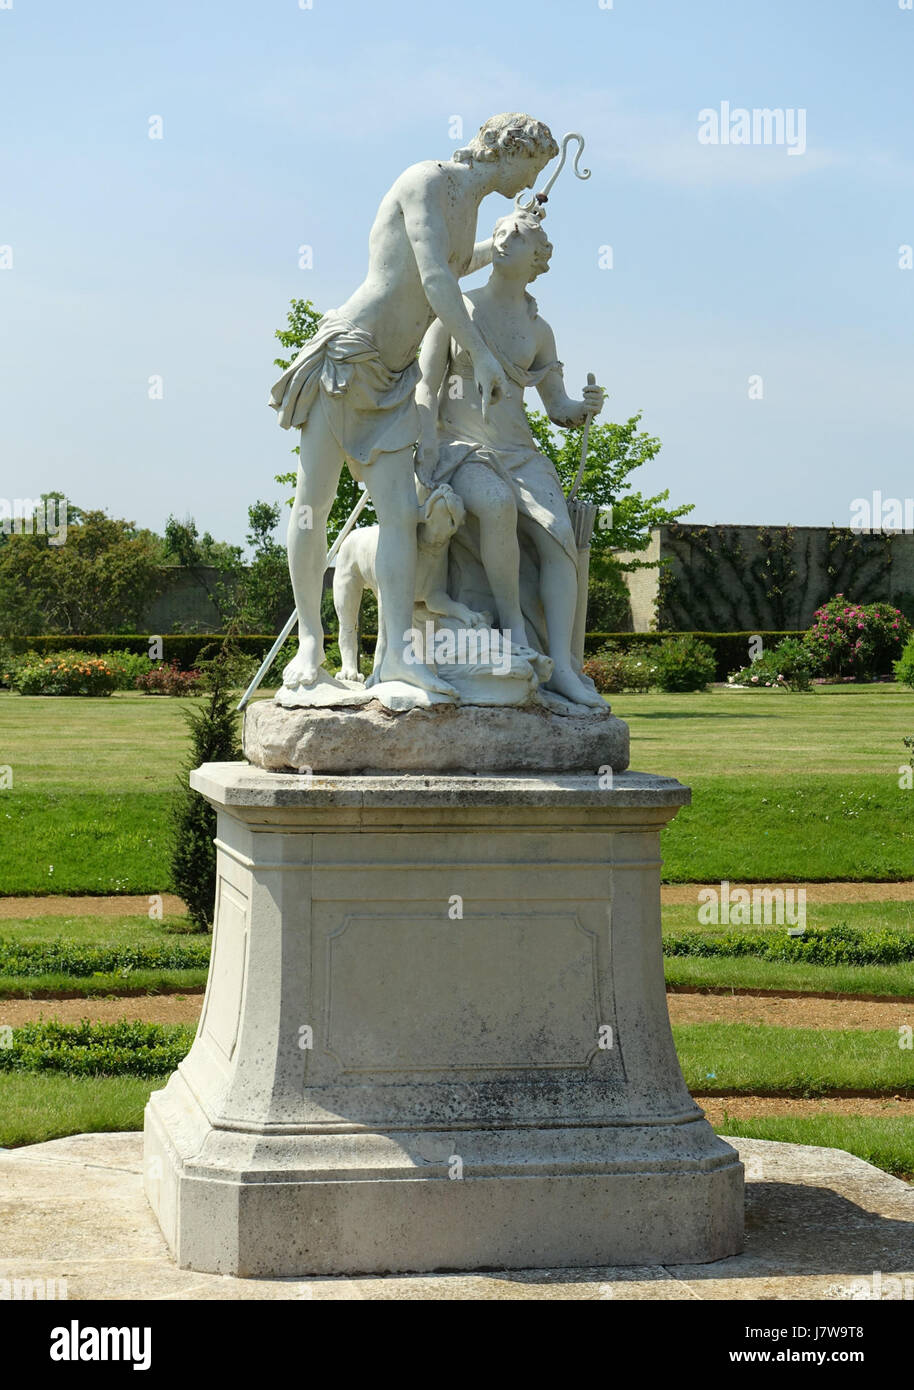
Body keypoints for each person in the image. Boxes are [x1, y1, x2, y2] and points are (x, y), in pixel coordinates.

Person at [269, 114, 559, 704]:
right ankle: (309, 647)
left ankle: (397, 655)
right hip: (350, 356)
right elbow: (433, 279)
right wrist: (479, 355)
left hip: (397, 381)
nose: (534, 178)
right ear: (511, 151)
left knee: (403, 515)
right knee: (312, 505)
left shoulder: (472, 205)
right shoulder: (427, 181)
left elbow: (456, 264)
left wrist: (509, 244)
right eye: (534, 164)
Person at [415, 206, 606, 709]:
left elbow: (556, 406)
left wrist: (581, 409)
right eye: (498, 232)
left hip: (520, 451)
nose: (500, 241)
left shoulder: (538, 331)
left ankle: (562, 666)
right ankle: (517, 637)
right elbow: (425, 388)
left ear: (538, 259)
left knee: (560, 537)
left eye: (515, 237)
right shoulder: (456, 311)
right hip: (462, 446)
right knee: (496, 505)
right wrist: (424, 447)